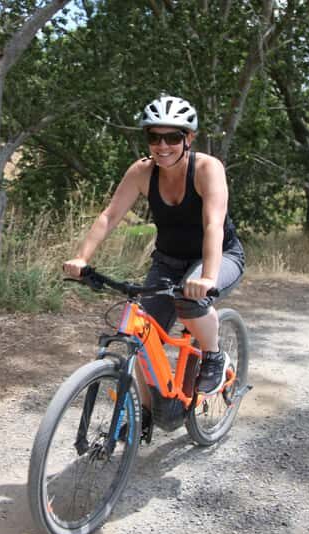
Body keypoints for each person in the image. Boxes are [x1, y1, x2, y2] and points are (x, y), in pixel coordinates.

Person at [62, 96, 245, 395]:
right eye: (154, 137)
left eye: (173, 137)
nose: (162, 146)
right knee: (145, 342)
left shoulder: (207, 169)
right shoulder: (142, 172)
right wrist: (81, 258)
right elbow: (109, 216)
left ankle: (213, 356)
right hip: (168, 261)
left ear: (189, 138)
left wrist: (208, 278)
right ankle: (144, 417)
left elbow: (213, 224)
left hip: (220, 255)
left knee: (190, 303)